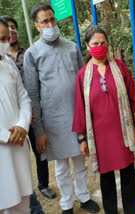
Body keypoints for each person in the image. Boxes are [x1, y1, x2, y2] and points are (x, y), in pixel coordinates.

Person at [23, 3, 99, 214]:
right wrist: (39, 131)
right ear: (37, 26)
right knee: (61, 166)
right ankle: (66, 203)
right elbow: (32, 94)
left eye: (52, 19)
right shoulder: (32, 54)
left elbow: (83, 84)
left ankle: (84, 197)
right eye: (45, 21)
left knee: (80, 160)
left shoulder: (72, 47)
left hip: (76, 116)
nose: (50, 24)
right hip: (52, 120)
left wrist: (86, 116)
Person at [72, 25, 135, 214]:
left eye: (103, 43)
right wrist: (82, 139)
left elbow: (133, 97)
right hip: (99, 137)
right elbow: (80, 109)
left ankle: (130, 211)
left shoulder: (119, 67)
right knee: (107, 181)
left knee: (128, 175)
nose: (100, 46)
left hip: (123, 132)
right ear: (87, 46)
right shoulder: (82, 76)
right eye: (95, 43)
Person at [2, 14, 54, 212]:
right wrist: (9, 133)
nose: (7, 40)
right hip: (6, 136)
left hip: (25, 128)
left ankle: (42, 186)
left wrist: (23, 124)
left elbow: (24, 96)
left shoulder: (17, 60)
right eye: (2, 36)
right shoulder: (6, 59)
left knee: (38, 154)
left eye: (8, 36)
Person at [0, 17, 33, 214]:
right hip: (3, 148)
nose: (3, 44)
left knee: (22, 203)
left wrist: (22, 126)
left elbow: (24, 98)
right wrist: (6, 136)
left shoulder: (9, 66)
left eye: (5, 39)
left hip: (18, 145)